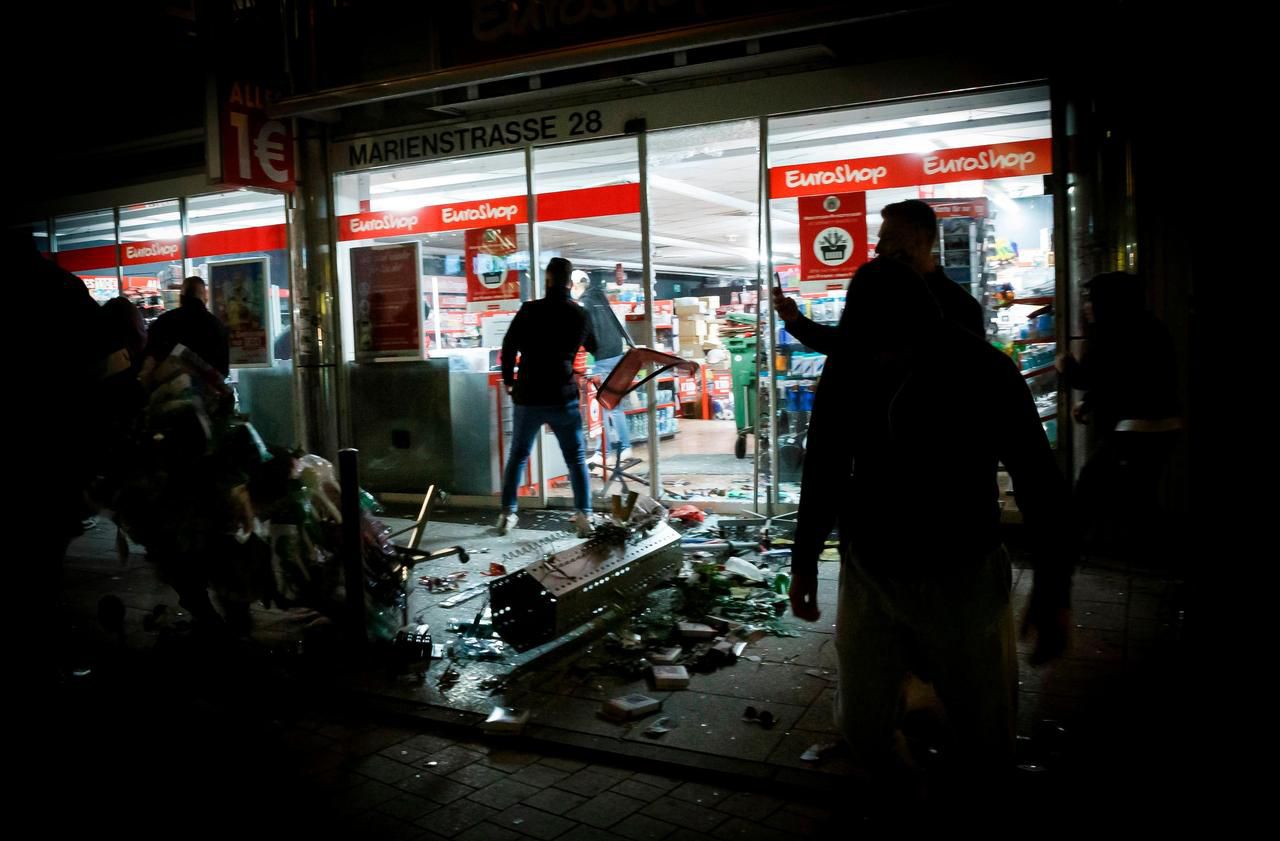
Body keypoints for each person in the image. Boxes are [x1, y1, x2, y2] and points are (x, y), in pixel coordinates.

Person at [774, 254, 1072, 800]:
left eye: (892, 342)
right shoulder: (852, 360)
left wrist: (1054, 591)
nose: (882, 355)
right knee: (862, 725)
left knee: (986, 736)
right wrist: (803, 562)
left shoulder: (982, 369)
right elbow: (825, 465)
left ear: (924, 325)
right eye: (871, 342)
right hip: (870, 570)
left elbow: (1038, 483)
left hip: (963, 572)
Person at [1057, 271, 1180, 557]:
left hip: (1134, 429)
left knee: (1091, 484)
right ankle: (1149, 550)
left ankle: (1067, 550)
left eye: (1091, 300)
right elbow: (1123, 378)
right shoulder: (1152, 327)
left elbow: (1090, 378)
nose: (1087, 306)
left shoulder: (1111, 332)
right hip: (1166, 426)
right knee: (1140, 493)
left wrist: (1066, 365)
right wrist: (1088, 403)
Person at [498, 257, 598, 538]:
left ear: (548, 280)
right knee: (576, 458)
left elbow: (509, 346)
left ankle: (507, 514)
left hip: (528, 394)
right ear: (570, 283)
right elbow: (595, 345)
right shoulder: (579, 314)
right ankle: (583, 516)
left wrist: (509, 380)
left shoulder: (529, 310)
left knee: (518, 455)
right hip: (562, 395)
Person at [577, 273, 633, 462]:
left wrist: (591, 349)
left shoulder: (585, 303)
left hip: (603, 358)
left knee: (602, 409)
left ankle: (604, 453)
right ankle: (624, 448)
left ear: (577, 286)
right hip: (617, 354)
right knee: (614, 406)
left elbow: (584, 331)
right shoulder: (600, 297)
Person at [141, 276, 230, 379]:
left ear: (181, 298)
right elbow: (223, 370)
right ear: (205, 297)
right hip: (206, 392)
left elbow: (149, 358)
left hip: (169, 391)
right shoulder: (217, 326)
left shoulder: (163, 321)